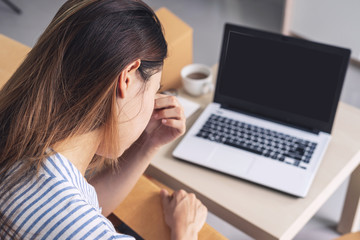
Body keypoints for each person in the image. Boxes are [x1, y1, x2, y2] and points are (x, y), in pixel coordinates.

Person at [0, 0, 208, 239]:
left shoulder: (20, 144)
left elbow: (75, 211)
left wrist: (147, 144)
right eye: (154, 90)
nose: (154, 101)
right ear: (127, 77)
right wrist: (186, 231)